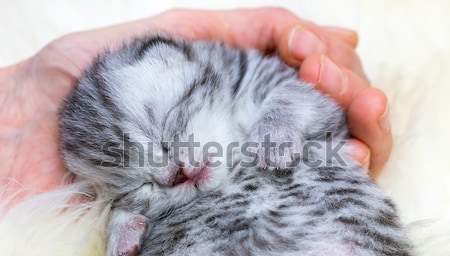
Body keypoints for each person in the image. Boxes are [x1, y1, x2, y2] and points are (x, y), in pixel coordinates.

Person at [0, 8, 391, 201]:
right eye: (135, 177)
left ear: (171, 60)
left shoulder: (240, 72)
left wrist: (286, 113)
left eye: (163, 132)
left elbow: (315, 104)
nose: (170, 171)